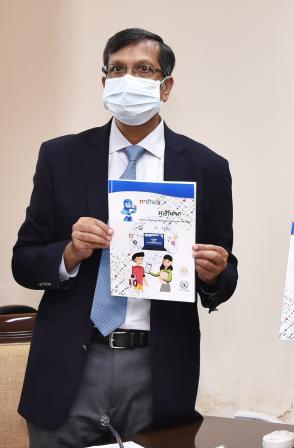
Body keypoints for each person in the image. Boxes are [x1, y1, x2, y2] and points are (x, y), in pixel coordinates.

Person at [12, 28, 238, 447]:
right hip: (70, 362)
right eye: (118, 69)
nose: (128, 78)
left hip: (157, 368)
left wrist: (214, 273)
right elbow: (24, 259)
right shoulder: (60, 157)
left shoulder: (206, 167)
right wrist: (69, 252)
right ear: (104, 83)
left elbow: (225, 276)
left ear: (165, 86)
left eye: (144, 69)